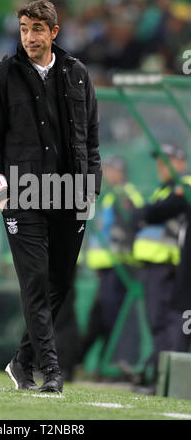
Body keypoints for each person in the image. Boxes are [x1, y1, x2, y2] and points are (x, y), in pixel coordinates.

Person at [0, 0, 101, 393]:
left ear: (54, 32)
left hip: (70, 195)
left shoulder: (78, 74)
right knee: (35, 280)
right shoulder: (0, 76)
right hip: (22, 194)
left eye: (37, 29)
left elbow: (91, 140)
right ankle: (50, 371)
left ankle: (20, 361)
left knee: (59, 283)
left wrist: (90, 187)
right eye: (24, 29)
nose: (29, 37)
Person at [132, 143, 189, 392]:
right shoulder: (164, 190)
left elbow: (157, 212)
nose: (160, 167)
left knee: (167, 322)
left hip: (167, 266)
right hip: (153, 266)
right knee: (158, 322)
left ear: (179, 162)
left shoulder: (184, 186)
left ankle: (160, 377)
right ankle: (155, 374)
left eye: (166, 161)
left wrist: (146, 214)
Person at [79, 156, 144, 367]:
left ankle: (118, 361)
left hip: (119, 267)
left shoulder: (125, 195)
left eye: (109, 170)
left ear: (120, 172)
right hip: (107, 268)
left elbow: (130, 228)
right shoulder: (110, 196)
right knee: (102, 316)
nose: (106, 174)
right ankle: (105, 361)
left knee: (114, 316)